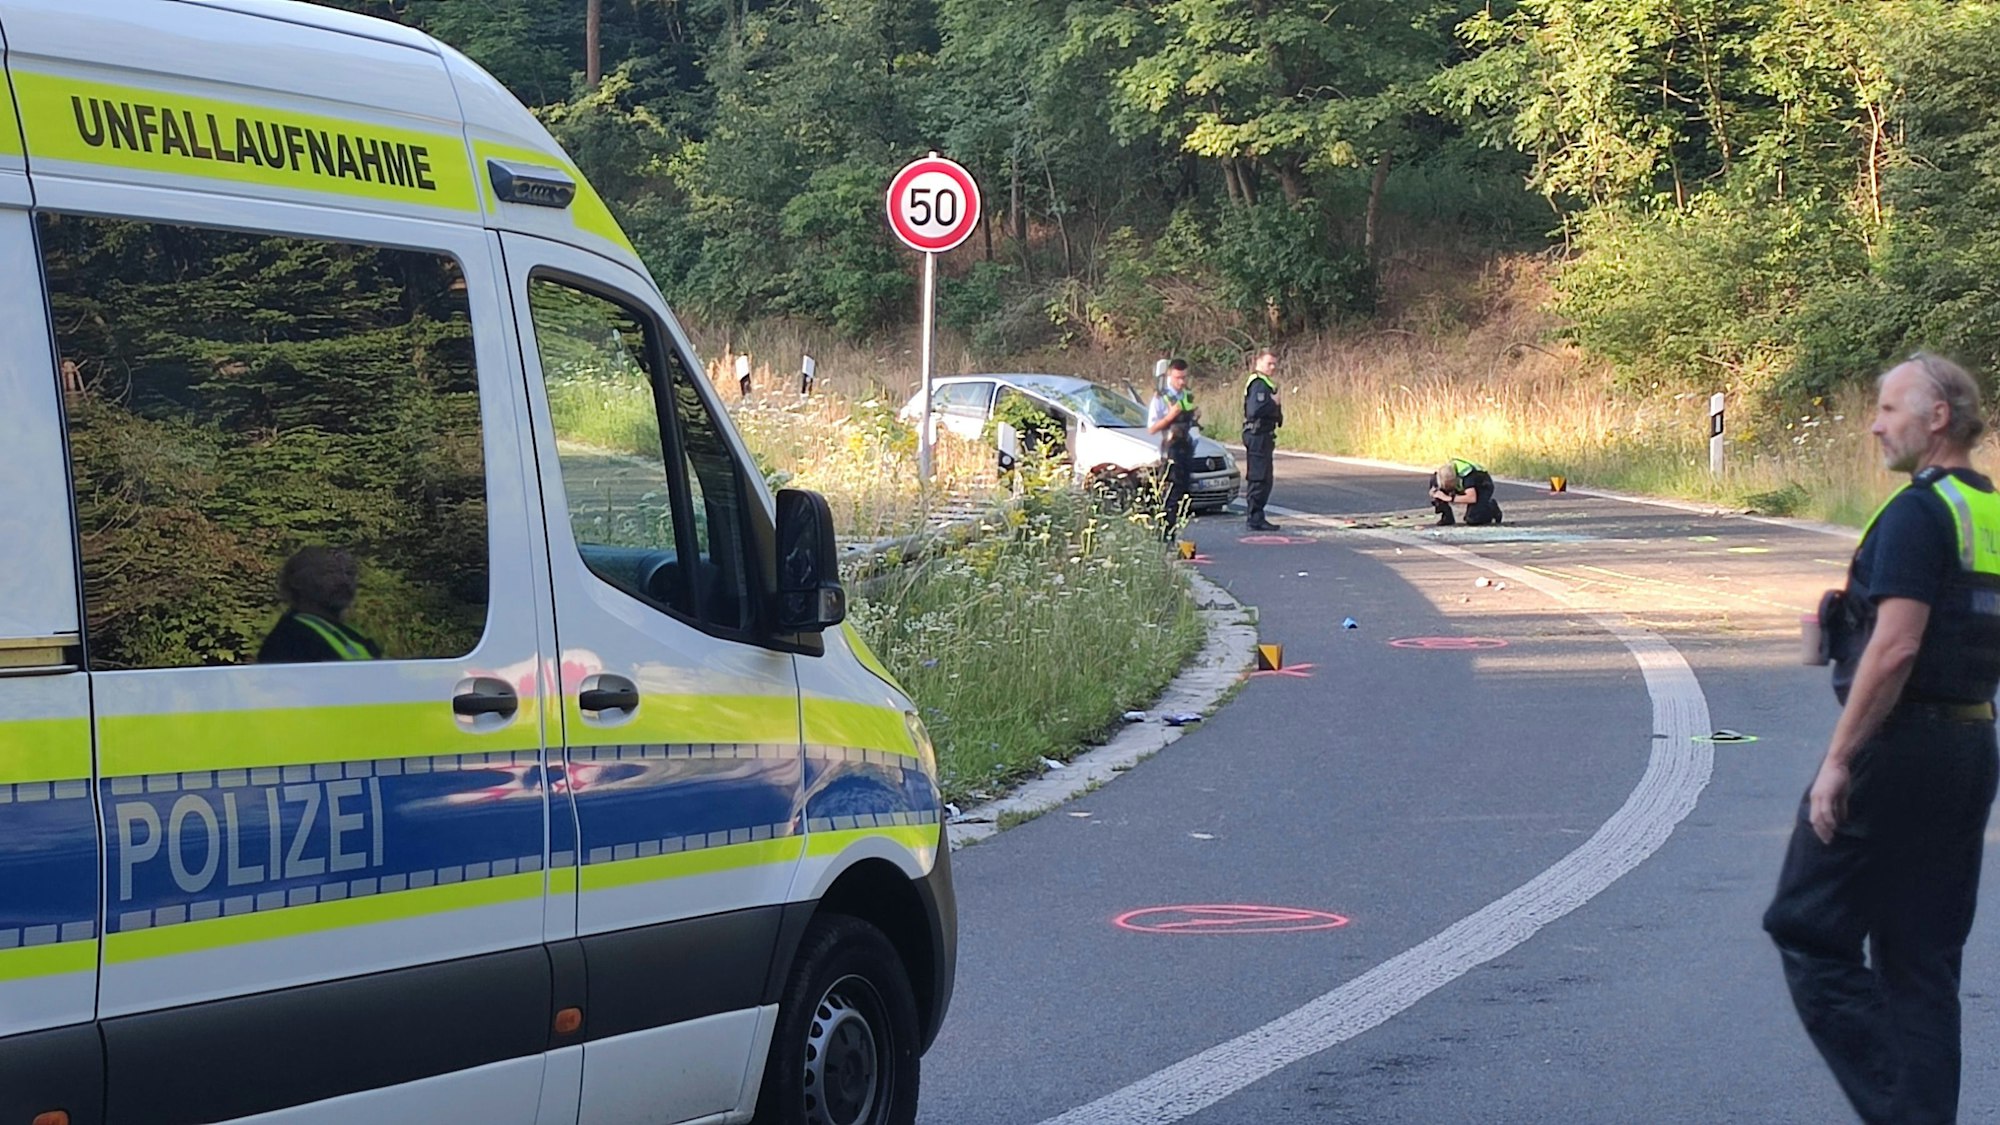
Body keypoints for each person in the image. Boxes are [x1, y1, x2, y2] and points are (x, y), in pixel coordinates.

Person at [1762, 352, 2000, 1125]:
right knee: (1921, 962)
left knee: (1805, 925)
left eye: (1890, 408)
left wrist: (1838, 761)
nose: (1874, 423)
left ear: (1939, 417)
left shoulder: (1916, 513)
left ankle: (1903, 1110)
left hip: (1895, 749)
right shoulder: (1988, 512)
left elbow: (1895, 647)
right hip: (1969, 745)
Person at [257, 546, 383, 663]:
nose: (344, 581)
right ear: (297, 582)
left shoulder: (343, 632)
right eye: (330, 572)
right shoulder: (290, 640)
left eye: (349, 573)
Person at [1148, 358, 1198, 533]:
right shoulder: (1161, 397)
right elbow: (1152, 428)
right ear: (1170, 375)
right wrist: (1170, 417)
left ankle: (1176, 532)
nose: (1182, 382)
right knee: (1170, 494)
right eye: (1178, 377)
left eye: (1184, 377)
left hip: (1187, 448)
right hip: (1171, 450)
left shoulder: (1187, 395)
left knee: (1184, 493)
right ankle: (1164, 534)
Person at [1241, 349, 1284, 531]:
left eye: (1274, 363)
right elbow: (1254, 411)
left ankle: (1257, 515)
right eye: (1269, 363)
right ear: (1258, 363)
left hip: (1264, 435)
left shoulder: (1265, 383)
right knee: (1259, 477)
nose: (1272, 367)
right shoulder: (1258, 384)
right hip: (1257, 435)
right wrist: (1273, 403)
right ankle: (1255, 517)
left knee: (1265, 477)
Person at [1428, 458, 1503, 526]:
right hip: (1464, 487)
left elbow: (1471, 498)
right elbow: (1434, 491)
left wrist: (1449, 498)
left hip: (1482, 486)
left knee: (1473, 519)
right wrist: (1435, 495)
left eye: (1450, 485)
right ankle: (1447, 517)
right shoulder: (1438, 477)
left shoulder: (1467, 476)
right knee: (1438, 493)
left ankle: (1491, 508)